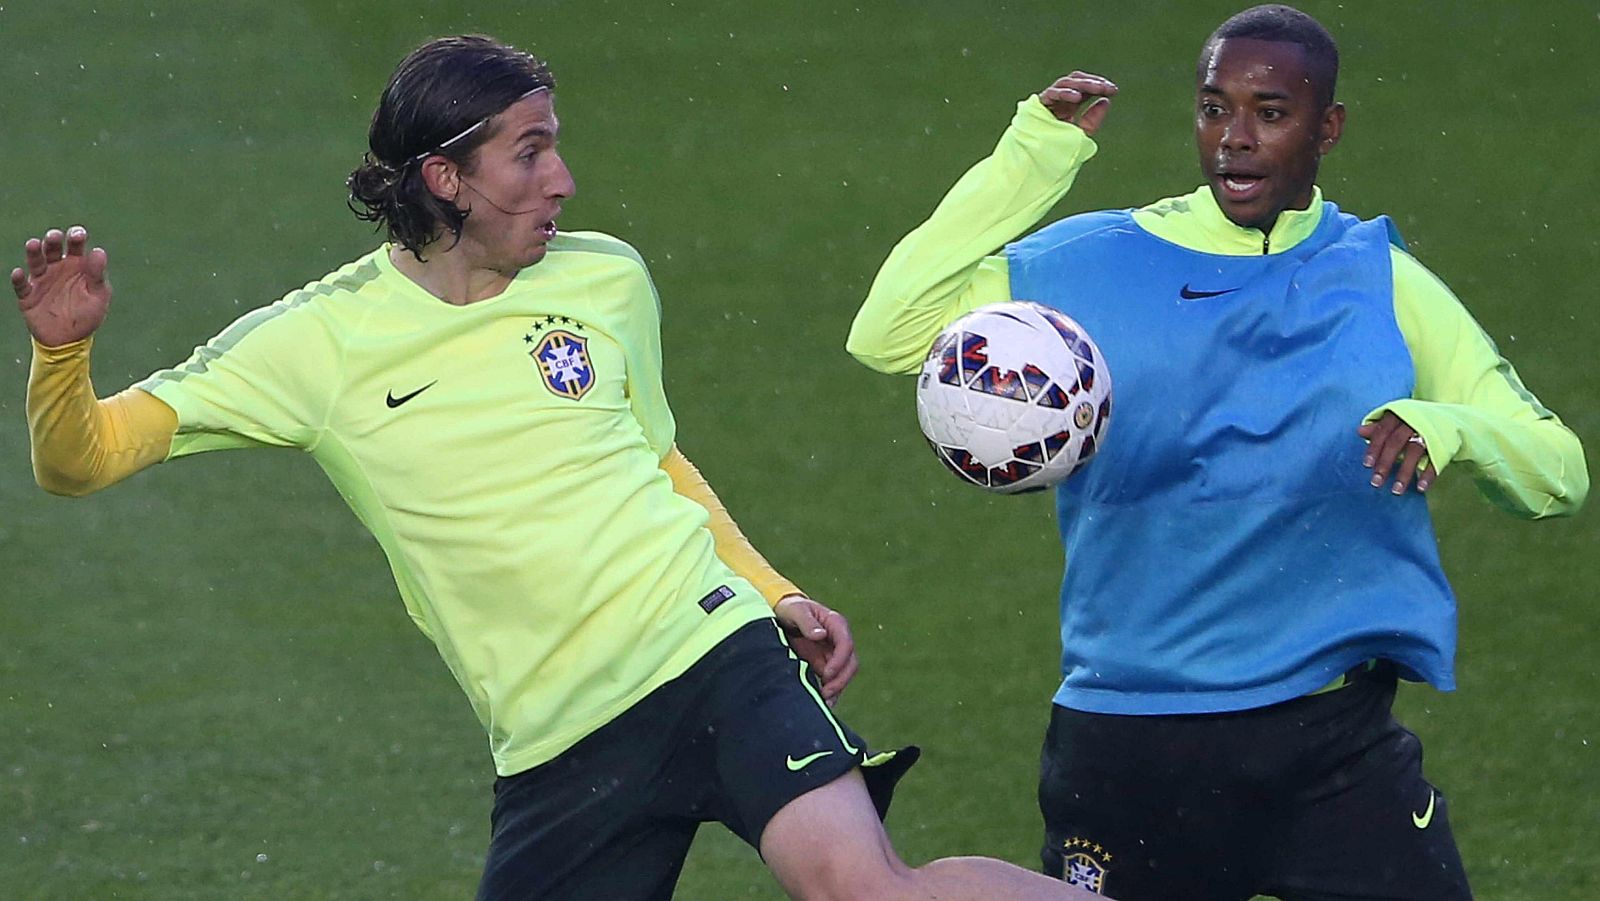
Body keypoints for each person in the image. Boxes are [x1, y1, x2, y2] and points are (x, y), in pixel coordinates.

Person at [15, 35, 1106, 901]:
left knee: (862, 888)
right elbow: (84, 460)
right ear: (444, 176)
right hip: (558, 738)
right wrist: (63, 355)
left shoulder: (607, 280)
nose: (564, 179)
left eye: (556, 145)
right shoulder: (312, 344)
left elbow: (653, 457)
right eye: (529, 153)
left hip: (708, 651)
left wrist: (772, 593)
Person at [847, 5, 1587, 900]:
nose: (1234, 140)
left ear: (1329, 127)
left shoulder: (1381, 279)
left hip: (1334, 744)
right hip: (1135, 741)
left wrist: (1450, 426)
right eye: (1213, 109)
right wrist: (1033, 156)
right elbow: (888, 333)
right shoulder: (1089, 263)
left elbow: (1559, 470)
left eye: (1270, 113)